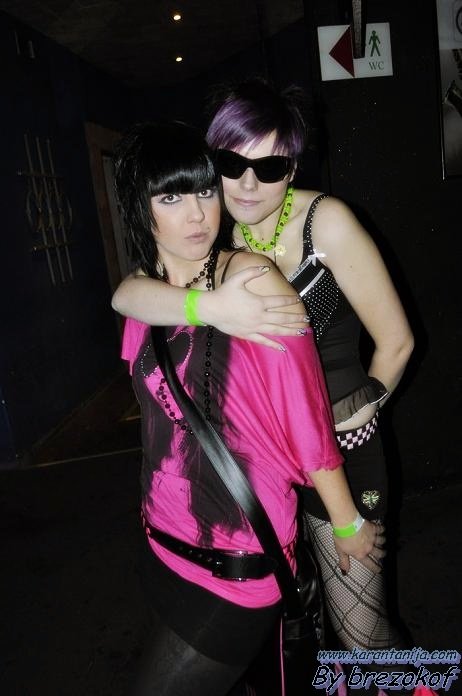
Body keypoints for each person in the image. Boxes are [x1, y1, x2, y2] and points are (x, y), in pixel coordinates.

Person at [112, 79, 417, 690]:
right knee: (306, 623)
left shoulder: (325, 223)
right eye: (231, 165)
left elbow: (398, 342)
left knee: (359, 631)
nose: (248, 185)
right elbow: (130, 292)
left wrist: (367, 410)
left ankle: (419, 682)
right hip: (269, 461)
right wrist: (211, 308)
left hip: (340, 448)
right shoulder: (214, 227)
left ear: (293, 168)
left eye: (270, 167)